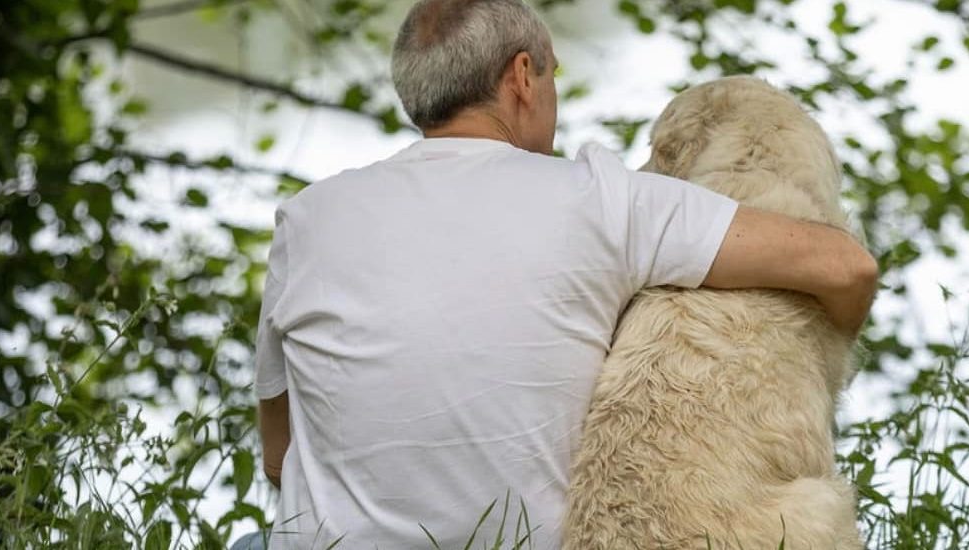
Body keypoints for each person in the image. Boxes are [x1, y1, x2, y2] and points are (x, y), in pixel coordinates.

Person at [251, 0, 878, 548]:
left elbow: (279, 458)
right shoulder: (601, 197)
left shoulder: (307, 219)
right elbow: (843, 267)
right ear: (523, 76)